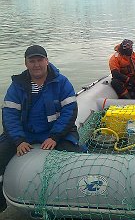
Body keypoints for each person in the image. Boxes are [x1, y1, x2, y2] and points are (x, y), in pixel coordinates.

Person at [0, 45, 82, 212]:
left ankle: (72, 200)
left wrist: (55, 137)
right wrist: (19, 140)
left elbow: (69, 112)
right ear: (26, 63)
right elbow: (9, 115)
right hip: (26, 133)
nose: (36, 65)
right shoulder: (17, 86)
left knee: (74, 159)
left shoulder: (62, 82)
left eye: (40, 60)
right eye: (32, 61)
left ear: (47, 61)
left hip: (56, 132)